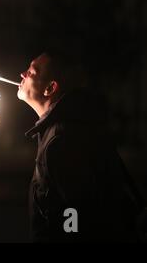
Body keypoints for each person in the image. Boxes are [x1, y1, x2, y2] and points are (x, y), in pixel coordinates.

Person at [17, 51, 144, 242]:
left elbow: (81, 215)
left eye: (31, 72)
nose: (23, 75)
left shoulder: (61, 141)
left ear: (50, 88)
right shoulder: (66, 130)